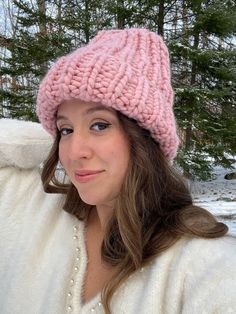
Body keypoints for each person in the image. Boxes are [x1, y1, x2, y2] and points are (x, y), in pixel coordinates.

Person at [0, 28, 235, 314]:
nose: (74, 152)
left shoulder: (204, 265)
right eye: (66, 129)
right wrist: (42, 140)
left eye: (99, 125)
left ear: (145, 138)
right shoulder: (39, 211)